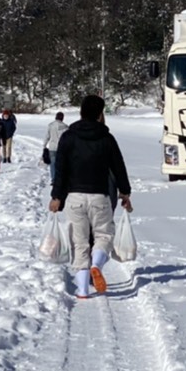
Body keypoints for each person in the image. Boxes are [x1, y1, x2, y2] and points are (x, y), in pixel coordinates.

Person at [49, 95, 132, 299]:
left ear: (81, 112)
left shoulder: (68, 137)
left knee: (79, 242)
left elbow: (61, 170)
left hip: (74, 198)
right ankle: (97, 264)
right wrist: (125, 192)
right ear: (100, 114)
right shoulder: (107, 138)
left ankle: (83, 290)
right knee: (104, 236)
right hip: (100, 197)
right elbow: (118, 167)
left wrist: (56, 196)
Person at [43, 110, 67, 186]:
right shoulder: (65, 126)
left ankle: (53, 179)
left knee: (52, 164)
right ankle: (60, 179)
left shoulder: (50, 125)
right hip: (61, 148)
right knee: (60, 164)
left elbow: (47, 136)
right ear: (62, 118)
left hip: (52, 147)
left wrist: (44, 145)